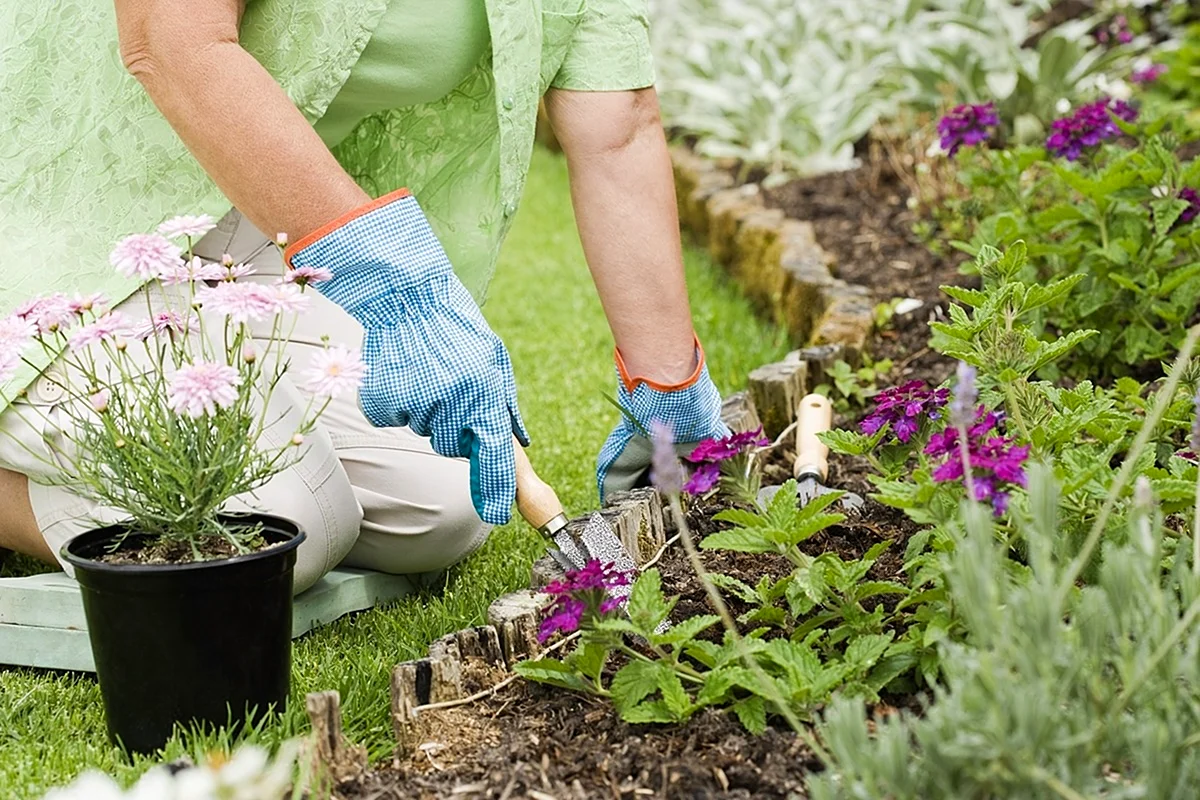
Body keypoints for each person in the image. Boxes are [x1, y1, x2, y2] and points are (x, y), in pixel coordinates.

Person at [0, 0, 729, 592]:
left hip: (245, 232)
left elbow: (619, 125)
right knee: (285, 530)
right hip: (50, 223)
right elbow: (167, 36)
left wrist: (669, 389)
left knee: (445, 507)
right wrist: (390, 282)